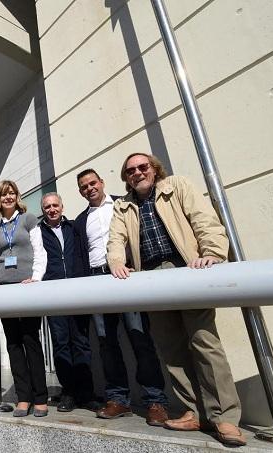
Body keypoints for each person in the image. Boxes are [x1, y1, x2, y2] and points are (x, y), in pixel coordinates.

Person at [107, 153, 245, 446]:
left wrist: (212, 252)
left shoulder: (177, 186)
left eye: (143, 167)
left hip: (187, 270)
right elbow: (116, 239)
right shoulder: (123, 205)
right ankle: (193, 411)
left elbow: (203, 219)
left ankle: (225, 418)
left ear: (154, 169)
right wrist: (117, 262)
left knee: (205, 344)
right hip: (152, 280)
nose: (137, 173)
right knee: (171, 350)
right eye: (130, 170)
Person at [74, 169, 168, 426]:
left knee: (140, 339)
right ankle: (118, 399)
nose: (89, 188)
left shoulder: (124, 204)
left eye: (93, 183)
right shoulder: (81, 221)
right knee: (106, 344)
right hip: (96, 281)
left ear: (102, 182)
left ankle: (155, 401)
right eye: (84, 187)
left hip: (126, 278)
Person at [0, 180, 48, 417]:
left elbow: (39, 251)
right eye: (3, 194)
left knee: (31, 340)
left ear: (17, 197)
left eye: (11, 193)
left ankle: (40, 397)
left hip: (26, 286)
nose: (8, 197)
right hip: (3, 289)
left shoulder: (29, 220)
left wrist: (36, 278)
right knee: (13, 343)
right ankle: (23, 397)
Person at [39, 192, 99, 412]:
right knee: (61, 344)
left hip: (77, 293)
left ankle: (86, 393)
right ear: (43, 210)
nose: (52, 209)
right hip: (53, 296)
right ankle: (69, 393)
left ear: (62, 207)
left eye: (55, 205)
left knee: (81, 343)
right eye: (47, 207)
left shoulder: (74, 228)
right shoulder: (38, 233)